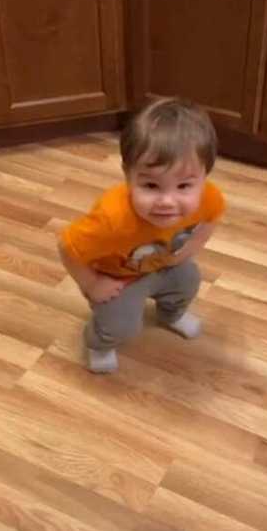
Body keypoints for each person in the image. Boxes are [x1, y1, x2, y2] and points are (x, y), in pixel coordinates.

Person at [58, 97, 225, 373]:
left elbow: (212, 218)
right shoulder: (111, 218)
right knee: (120, 325)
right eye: (151, 185)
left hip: (164, 262)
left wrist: (192, 247)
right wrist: (91, 284)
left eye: (183, 185)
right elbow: (67, 246)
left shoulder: (210, 198)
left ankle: (171, 314)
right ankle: (99, 343)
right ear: (128, 176)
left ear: (204, 176)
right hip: (119, 277)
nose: (167, 201)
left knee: (189, 280)